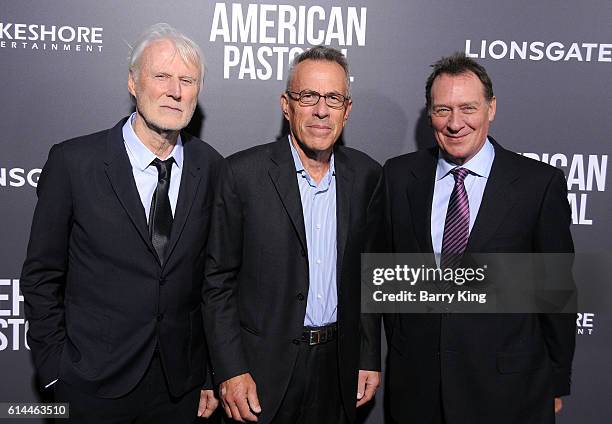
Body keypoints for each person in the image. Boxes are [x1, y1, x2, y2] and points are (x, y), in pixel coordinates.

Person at [20, 23, 221, 423]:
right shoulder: (74, 163)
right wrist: (55, 371)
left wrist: (209, 374)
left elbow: (214, 281)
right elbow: (42, 275)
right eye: (161, 76)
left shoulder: (211, 167)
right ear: (133, 82)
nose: (175, 90)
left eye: (187, 80)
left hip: (180, 389)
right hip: (91, 383)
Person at [381, 53, 575, 424]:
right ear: (430, 114)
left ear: (491, 108)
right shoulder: (398, 176)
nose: (455, 123)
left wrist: (555, 381)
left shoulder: (538, 184)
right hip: (418, 390)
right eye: (443, 110)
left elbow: (557, 294)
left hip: (510, 391)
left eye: (468, 107)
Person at [204, 46, 382, 423]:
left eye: (333, 98)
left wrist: (367, 355)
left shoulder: (367, 176)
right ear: (287, 105)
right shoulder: (241, 174)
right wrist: (230, 369)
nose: (321, 110)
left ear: (347, 110)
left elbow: (369, 276)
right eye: (308, 96)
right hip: (260, 370)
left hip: (338, 368)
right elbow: (216, 282)